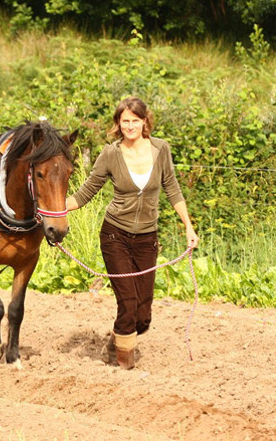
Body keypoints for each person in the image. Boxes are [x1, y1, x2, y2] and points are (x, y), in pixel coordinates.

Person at [66, 97, 199, 370]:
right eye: (124, 121)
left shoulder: (161, 149)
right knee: (128, 302)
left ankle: (115, 342)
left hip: (147, 239)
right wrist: (55, 209)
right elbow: (86, 192)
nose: (129, 126)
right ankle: (125, 366)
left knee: (143, 313)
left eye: (134, 120)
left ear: (144, 122)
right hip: (115, 235)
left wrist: (188, 226)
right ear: (118, 123)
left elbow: (172, 189)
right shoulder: (110, 154)